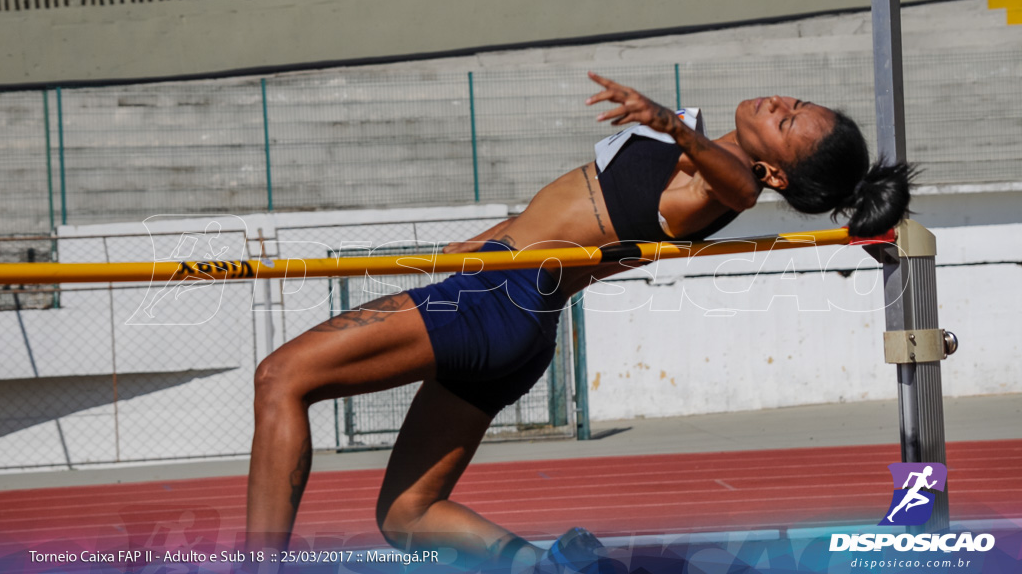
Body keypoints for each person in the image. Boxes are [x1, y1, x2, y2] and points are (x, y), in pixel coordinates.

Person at [245, 72, 914, 570]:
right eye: (795, 104)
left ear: (774, 168)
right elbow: (538, 221)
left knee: (281, 379)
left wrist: (671, 125)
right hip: (513, 309)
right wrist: (455, 259)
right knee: (409, 514)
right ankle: (554, 567)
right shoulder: (700, 151)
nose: (779, 104)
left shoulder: (721, 179)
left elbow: (738, 189)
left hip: (501, 300)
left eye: (790, 122)